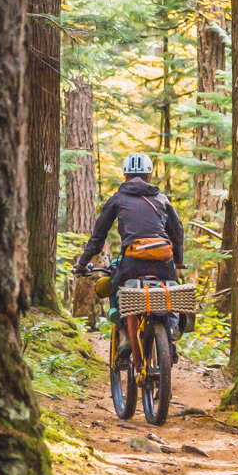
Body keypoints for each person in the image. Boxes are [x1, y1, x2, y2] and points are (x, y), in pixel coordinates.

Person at [72, 152, 184, 364]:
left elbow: (98, 236)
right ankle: (170, 334)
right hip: (163, 262)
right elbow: (177, 232)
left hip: (132, 263)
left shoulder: (118, 199)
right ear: (149, 175)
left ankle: (124, 337)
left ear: (125, 175)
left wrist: (82, 262)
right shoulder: (161, 199)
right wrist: (178, 260)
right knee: (169, 290)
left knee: (117, 288)